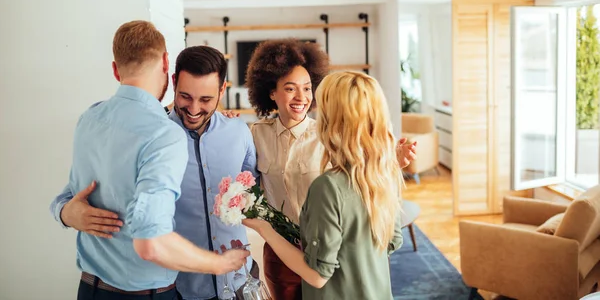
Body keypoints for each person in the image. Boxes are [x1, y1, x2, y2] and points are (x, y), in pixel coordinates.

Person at [49, 21, 249, 300]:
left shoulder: (89, 119)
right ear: (168, 65)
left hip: (89, 289)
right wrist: (219, 263)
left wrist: (64, 213)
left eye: (205, 99)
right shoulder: (165, 135)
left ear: (115, 69)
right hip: (151, 293)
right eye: (186, 96)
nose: (193, 109)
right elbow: (150, 245)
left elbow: (69, 197)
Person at [243, 39, 416, 299]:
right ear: (271, 92)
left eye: (309, 90)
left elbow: (317, 275)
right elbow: (390, 240)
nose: (303, 98)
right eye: (291, 89)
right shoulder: (254, 135)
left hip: (324, 259)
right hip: (288, 251)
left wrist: (262, 228)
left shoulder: (330, 181)